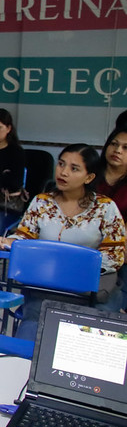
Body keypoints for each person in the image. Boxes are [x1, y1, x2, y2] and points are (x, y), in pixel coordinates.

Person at [0, 144, 126, 338]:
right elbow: (25, 235)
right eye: (61, 164)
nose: (63, 172)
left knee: (85, 342)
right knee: (32, 331)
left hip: (89, 289)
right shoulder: (42, 202)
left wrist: (67, 268)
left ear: (89, 177)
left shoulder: (105, 208)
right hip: (48, 286)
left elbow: (114, 256)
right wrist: (10, 241)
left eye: (74, 168)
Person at [97, 128, 127, 312]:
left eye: (125, 148)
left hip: (121, 252)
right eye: (114, 144)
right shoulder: (88, 175)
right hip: (84, 244)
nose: (118, 150)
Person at [0, 108, 26, 233]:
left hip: (4, 204)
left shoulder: (16, 151)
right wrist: (3, 175)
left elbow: (15, 183)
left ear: (8, 128)